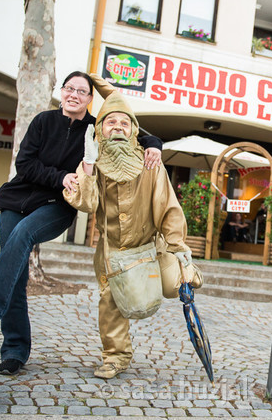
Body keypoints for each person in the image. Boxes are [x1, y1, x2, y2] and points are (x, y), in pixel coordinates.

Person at [0, 71, 163, 376]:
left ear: (89, 99)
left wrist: (154, 143)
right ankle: (14, 350)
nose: (74, 95)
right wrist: (60, 176)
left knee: (25, 234)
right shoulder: (43, 121)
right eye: (69, 89)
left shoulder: (93, 128)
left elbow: (129, 128)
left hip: (58, 204)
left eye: (82, 91)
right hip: (16, 200)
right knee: (15, 272)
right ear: (62, 92)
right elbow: (25, 164)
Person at [63, 74, 192, 379]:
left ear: (134, 130)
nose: (117, 128)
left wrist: (178, 249)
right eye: (111, 123)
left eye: (124, 123)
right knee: (111, 301)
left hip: (146, 247)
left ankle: (187, 276)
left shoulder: (150, 163)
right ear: (100, 129)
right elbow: (86, 203)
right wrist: (89, 167)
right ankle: (115, 356)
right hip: (110, 250)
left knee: (166, 288)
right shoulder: (93, 163)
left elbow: (168, 207)